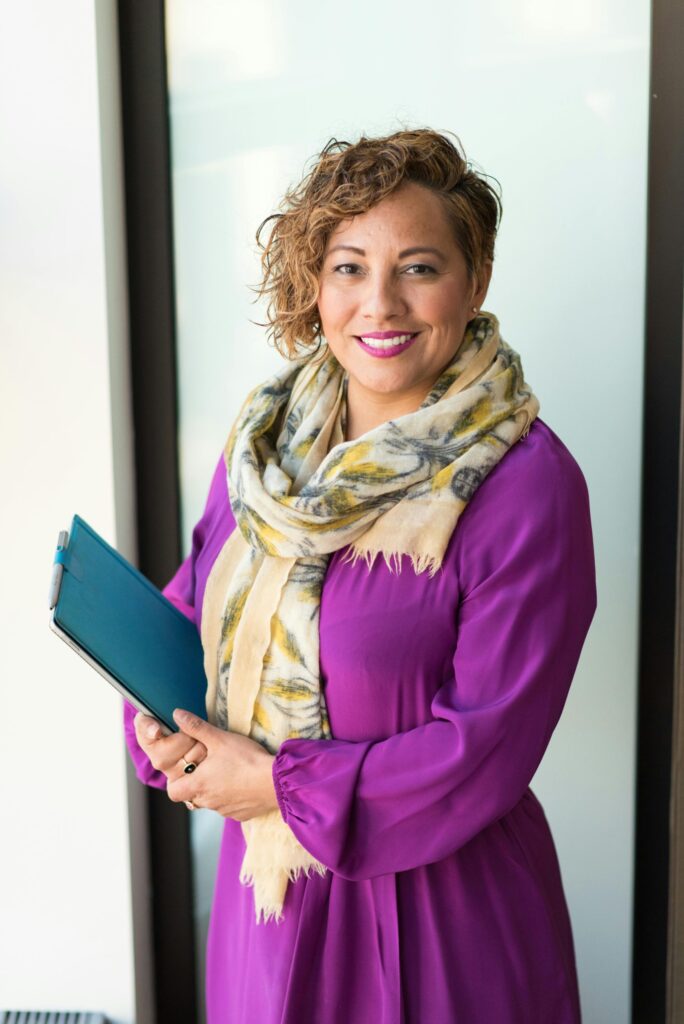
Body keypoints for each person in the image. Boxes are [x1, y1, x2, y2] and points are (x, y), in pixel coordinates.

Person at [124, 127, 597, 1023]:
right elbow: (194, 611)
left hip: (434, 918)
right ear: (315, 282)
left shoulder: (526, 485)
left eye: (419, 267)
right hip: (266, 903)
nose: (380, 303)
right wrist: (159, 718)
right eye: (348, 267)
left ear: (476, 278)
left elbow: (485, 748)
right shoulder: (265, 448)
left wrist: (278, 786)